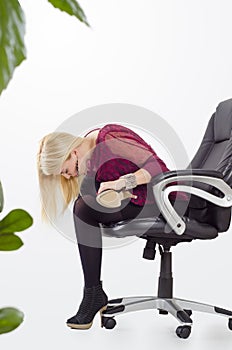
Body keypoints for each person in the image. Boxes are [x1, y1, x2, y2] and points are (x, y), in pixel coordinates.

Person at [37, 123, 183, 330]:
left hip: (165, 203)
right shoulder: (88, 151)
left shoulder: (110, 139)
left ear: (73, 153)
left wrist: (121, 183)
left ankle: (93, 294)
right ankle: (93, 293)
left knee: (83, 209)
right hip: (141, 203)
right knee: (84, 202)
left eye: (66, 171)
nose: (68, 176)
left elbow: (158, 168)